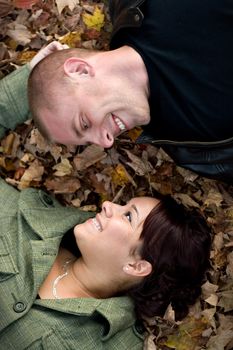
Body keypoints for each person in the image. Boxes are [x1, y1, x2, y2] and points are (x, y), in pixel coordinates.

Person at [1, 2, 232, 181]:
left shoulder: (148, 6)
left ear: (80, 70)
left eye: (84, 124)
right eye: (89, 140)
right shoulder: (192, 148)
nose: (107, 142)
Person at [0, 177, 211, 349]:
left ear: (137, 266)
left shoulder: (112, 344)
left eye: (128, 216)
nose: (108, 205)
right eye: (123, 205)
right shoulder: (29, 218)